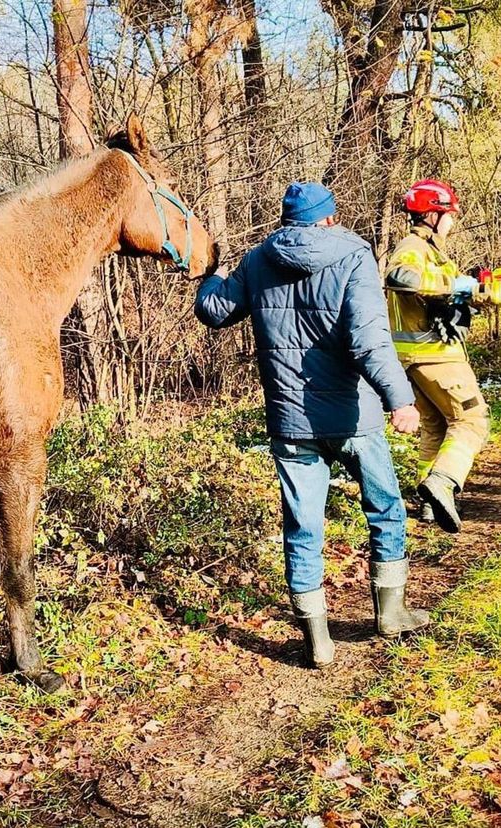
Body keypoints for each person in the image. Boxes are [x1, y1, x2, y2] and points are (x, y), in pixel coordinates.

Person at [194, 182, 429, 669]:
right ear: (327, 218)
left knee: (302, 525)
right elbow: (369, 340)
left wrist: (209, 272)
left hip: (291, 420)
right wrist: (399, 399)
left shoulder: (258, 260)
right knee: (384, 507)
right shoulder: (353, 254)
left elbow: (213, 311)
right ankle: (391, 613)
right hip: (354, 416)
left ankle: (317, 640)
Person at [384, 179, 491, 534]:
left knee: (436, 426)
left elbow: (431, 293)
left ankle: (429, 504)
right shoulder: (414, 247)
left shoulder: (429, 250)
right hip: (435, 356)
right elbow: (401, 278)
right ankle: (444, 481)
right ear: (431, 215)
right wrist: (453, 286)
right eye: (448, 215)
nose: (452, 221)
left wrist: (471, 291)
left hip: (412, 358)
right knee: (473, 421)